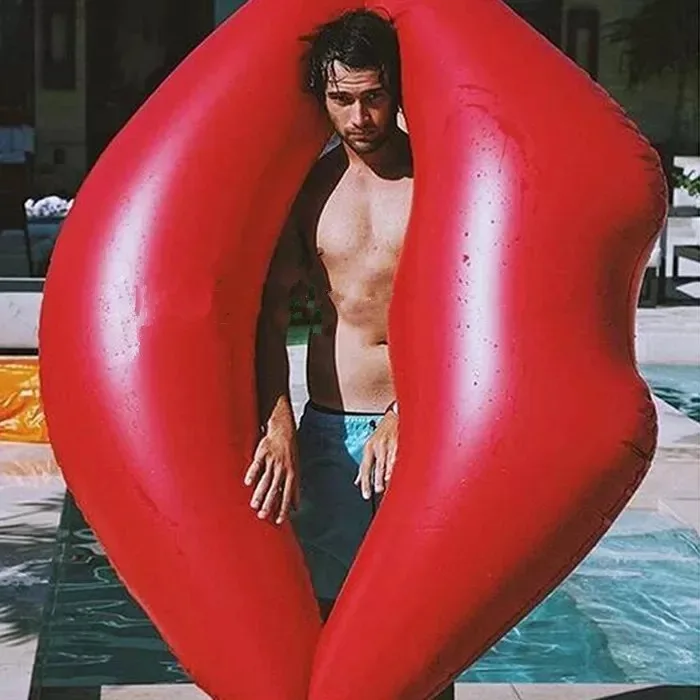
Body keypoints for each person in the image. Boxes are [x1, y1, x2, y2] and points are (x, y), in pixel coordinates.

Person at [245, 10, 455, 699]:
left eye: (374, 97)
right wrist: (279, 423)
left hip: (425, 431)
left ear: (396, 92)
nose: (360, 117)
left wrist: (410, 411)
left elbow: (467, 318)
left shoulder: (439, 183)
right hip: (331, 429)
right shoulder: (309, 191)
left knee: (423, 629)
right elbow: (268, 316)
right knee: (328, 617)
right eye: (342, 99)